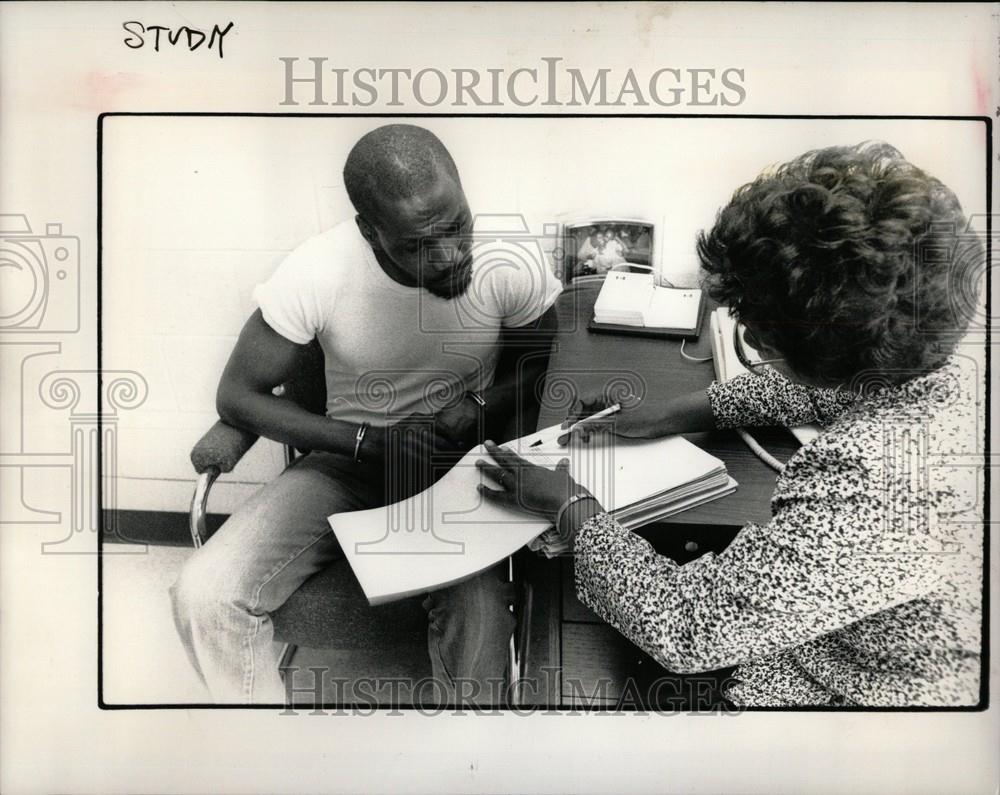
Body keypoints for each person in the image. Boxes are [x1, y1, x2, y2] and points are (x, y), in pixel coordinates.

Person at [477, 142, 983, 707]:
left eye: (754, 329)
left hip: (858, 694)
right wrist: (673, 411)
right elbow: (823, 386)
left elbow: (686, 629)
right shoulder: (937, 357)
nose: (750, 339)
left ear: (816, 348)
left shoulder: (872, 483)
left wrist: (569, 504)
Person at [171, 124, 563, 704]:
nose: (451, 254)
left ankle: (469, 765)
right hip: (346, 464)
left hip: (461, 470)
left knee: (479, 623)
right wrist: (363, 442)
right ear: (370, 231)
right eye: (417, 243)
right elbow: (237, 397)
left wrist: (478, 407)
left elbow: (538, 361)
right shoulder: (317, 270)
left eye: (457, 225)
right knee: (202, 595)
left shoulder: (509, 255)